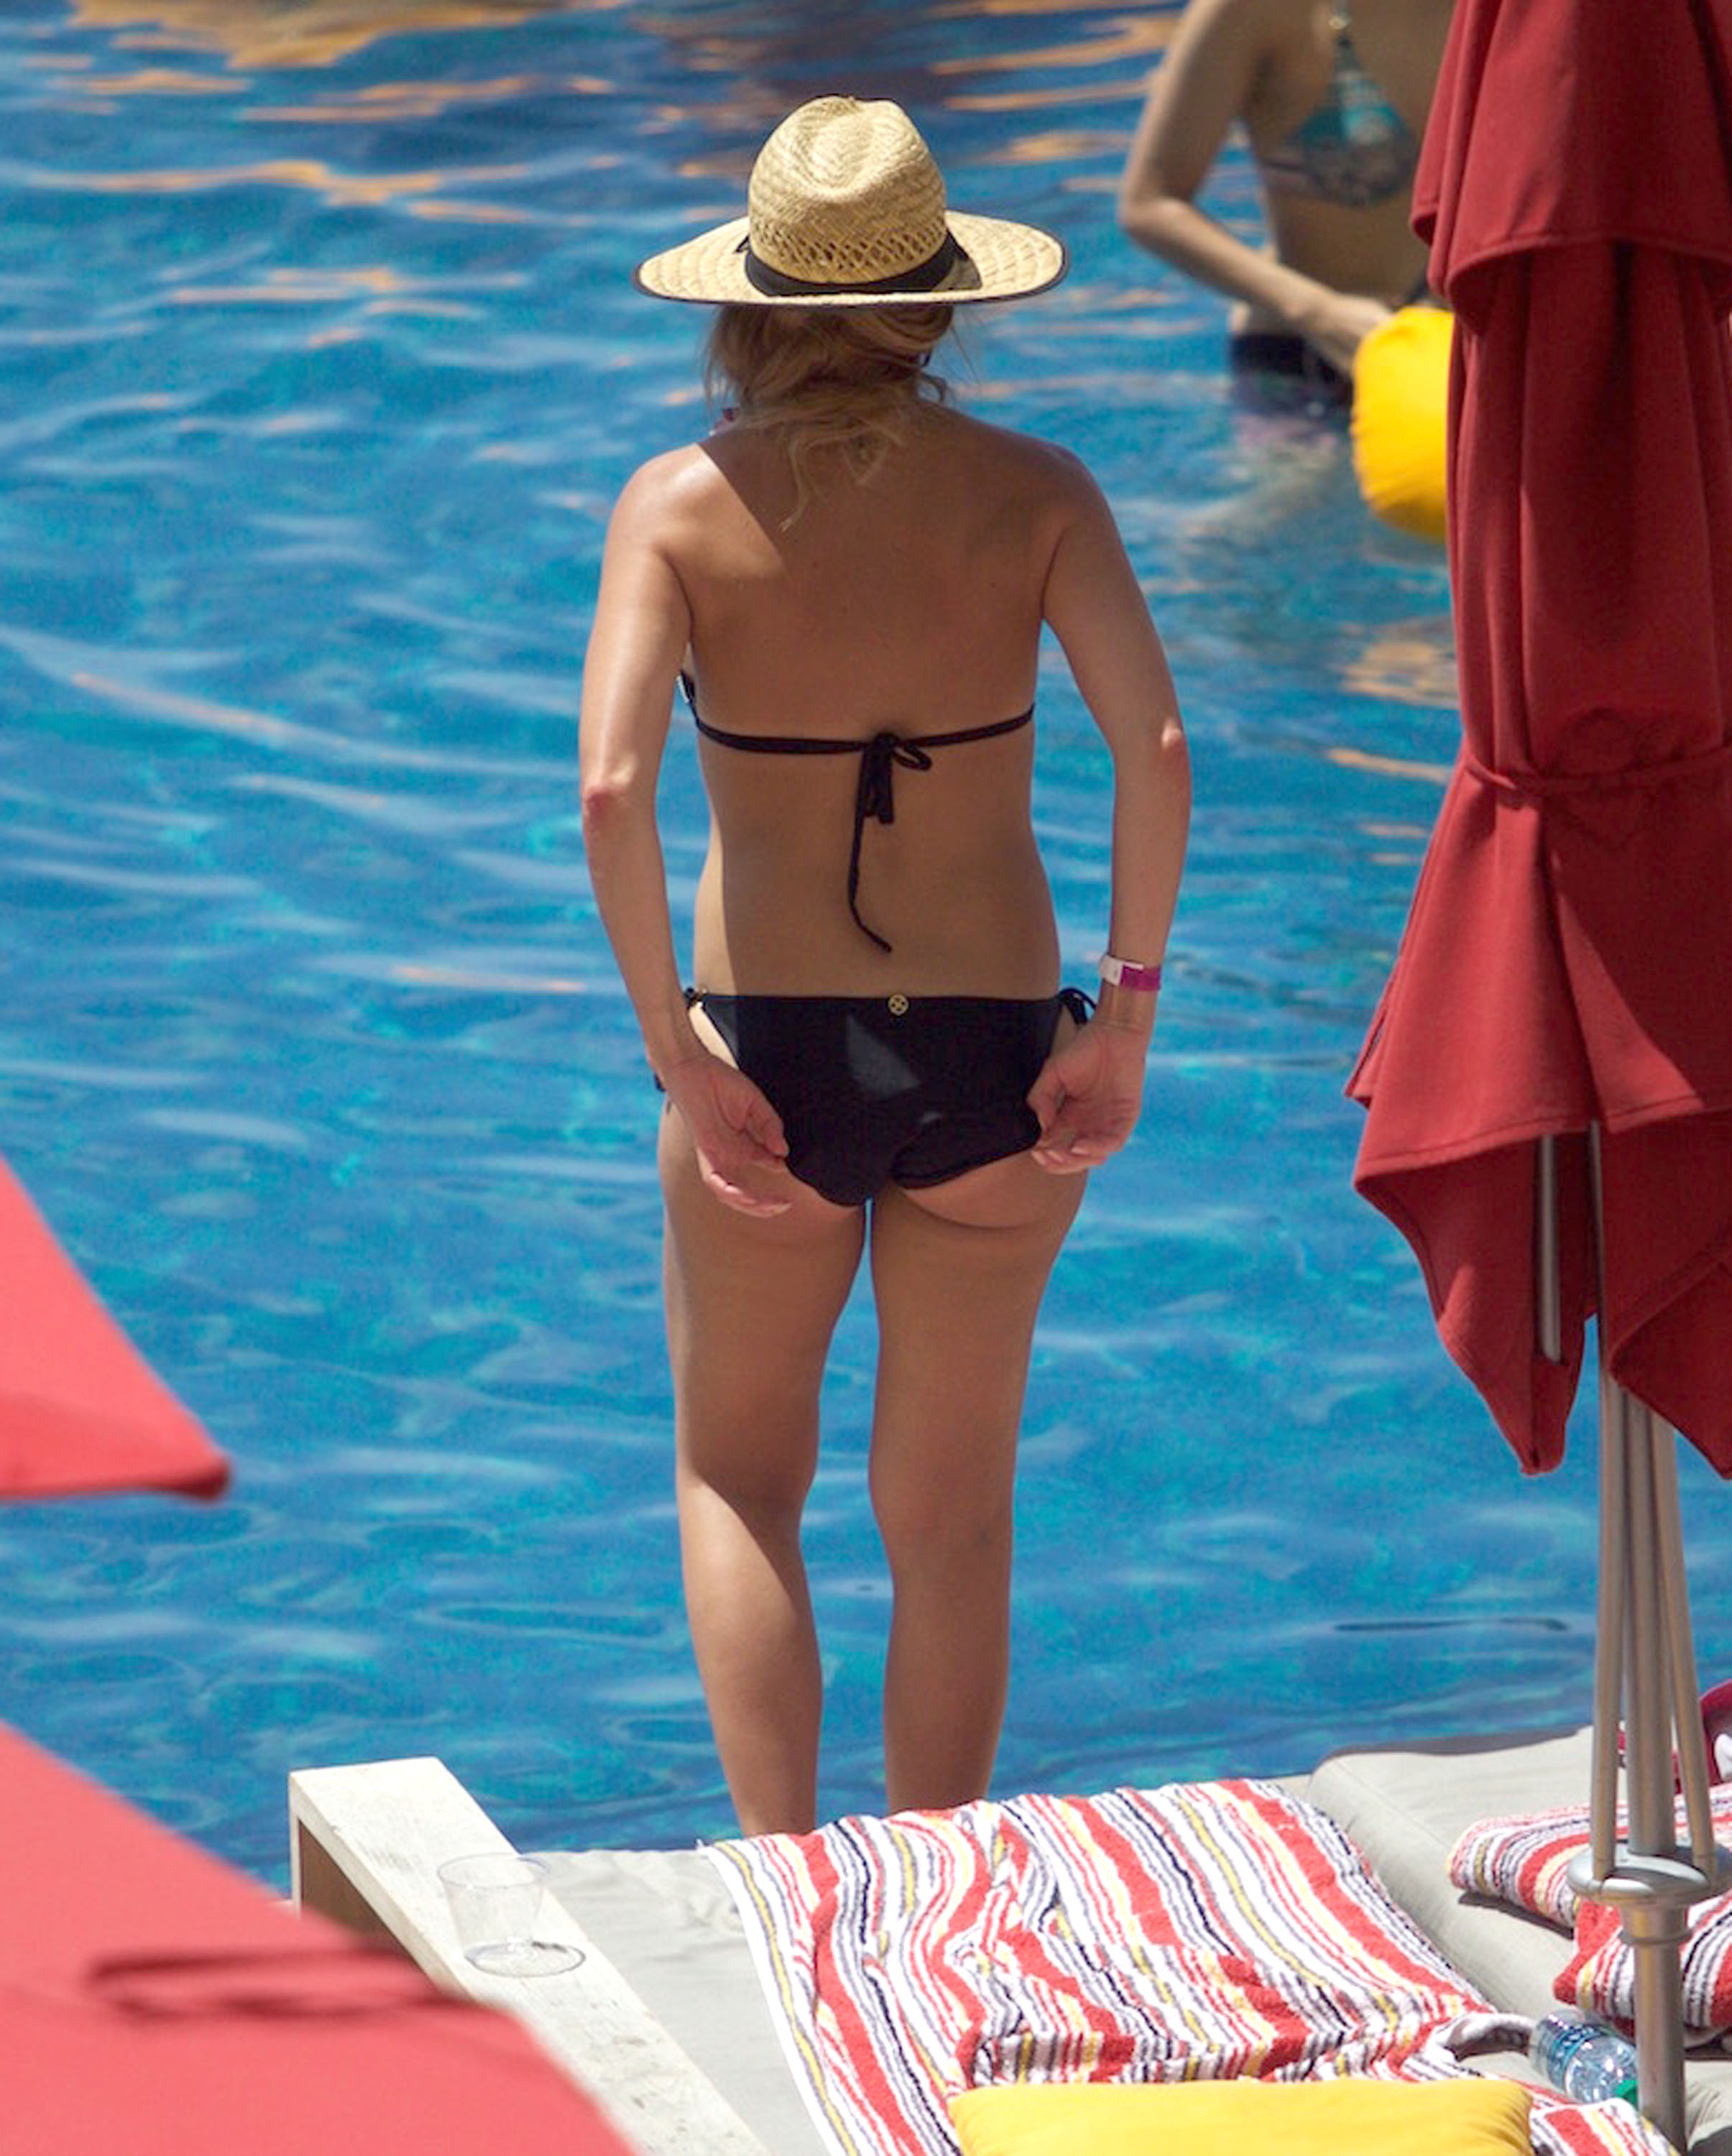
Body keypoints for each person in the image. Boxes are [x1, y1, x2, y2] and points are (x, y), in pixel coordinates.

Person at [580, 96, 1190, 1836]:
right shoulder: (1038, 492)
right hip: (998, 1053)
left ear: (744, 301)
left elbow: (611, 788)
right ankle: (938, 1884)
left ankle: (786, 1881)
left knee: (735, 1480)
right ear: (938, 301)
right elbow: (1154, 751)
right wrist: (1124, 1019)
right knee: (953, 1519)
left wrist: (676, 1055)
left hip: (760, 1054)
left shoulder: (677, 505)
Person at [1118, 0, 1452, 400]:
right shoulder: (1249, 10)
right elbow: (1150, 204)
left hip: (1450, 345)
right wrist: (1319, 313)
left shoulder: (1490, 12)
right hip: (1300, 360)